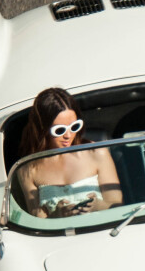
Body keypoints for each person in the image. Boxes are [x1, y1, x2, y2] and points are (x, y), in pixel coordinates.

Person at [16, 87, 122, 218]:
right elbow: (37, 218)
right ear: (42, 129)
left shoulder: (97, 152)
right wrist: (56, 215)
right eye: (59, 130)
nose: (68, 135)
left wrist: (98, 206)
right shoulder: (27, 169)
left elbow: (117, 204)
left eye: (74, 127)